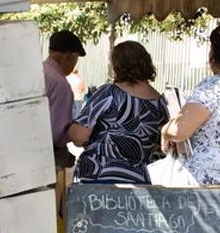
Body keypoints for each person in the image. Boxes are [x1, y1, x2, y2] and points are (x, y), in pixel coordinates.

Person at [161, 22, 220, 187]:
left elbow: (179, 130)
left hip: (204, 187)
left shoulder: (213, 87)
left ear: (212, 53)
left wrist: (164, 131)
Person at [68, 41, 168, 183]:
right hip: (141, 180)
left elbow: (79, 136)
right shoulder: (161, 102)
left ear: (117, 65)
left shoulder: (109, 93)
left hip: (100, 175)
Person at [43, 30, 85, 168]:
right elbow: (57, 133)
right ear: (70, 57)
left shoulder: (38, 71)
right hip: (49, 155)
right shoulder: (60, 85)